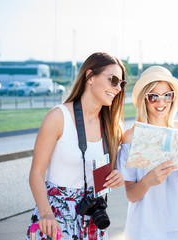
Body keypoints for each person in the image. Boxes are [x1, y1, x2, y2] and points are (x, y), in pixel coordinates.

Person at [26, 52, 126, 240]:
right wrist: (46, 214)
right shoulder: (58, 117)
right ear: (89, 76)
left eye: (121, 83)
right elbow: (36, 173)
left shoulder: (113, 125)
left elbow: (120, 162)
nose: (118, 88)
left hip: (93, 219)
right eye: (113, 80)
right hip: (55, 218)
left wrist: (118, 173)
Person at [116, 66, 178, 240]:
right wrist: (147, 181)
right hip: (142, 230)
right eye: (154, 96)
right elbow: (131, 195)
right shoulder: (131, 137)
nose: (161, 102)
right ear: (144, 99)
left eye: (167, 95)